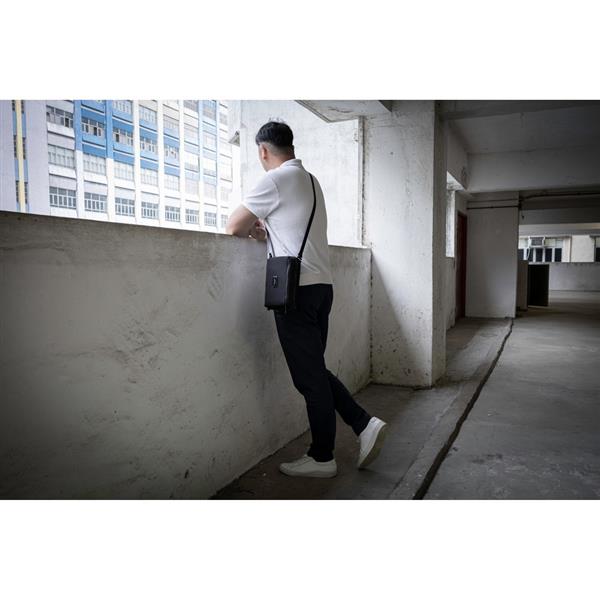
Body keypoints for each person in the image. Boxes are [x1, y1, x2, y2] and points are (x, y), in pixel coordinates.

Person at [225, 120, 387, 478]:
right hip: (321, 287)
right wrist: (267, 232)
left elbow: (233, 225)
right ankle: (362, 425)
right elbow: (293, 228)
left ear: (263, 151)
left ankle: (324, 456)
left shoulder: (275, 179)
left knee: (309, 378)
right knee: (314, 371)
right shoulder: (310, 181)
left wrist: (255, 229)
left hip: (294, 291)